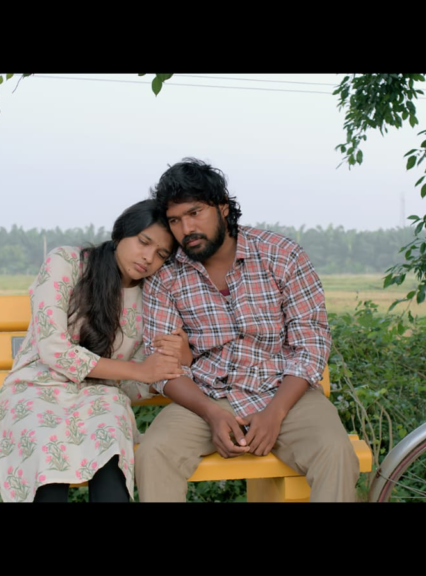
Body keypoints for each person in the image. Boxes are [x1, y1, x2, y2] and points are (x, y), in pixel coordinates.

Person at [135, 157, 360, 502]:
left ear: (223, 207)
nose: (186, 228)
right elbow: (163, 367)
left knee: (334, 451)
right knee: (154, 453)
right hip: (206, 397)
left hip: (284, 394)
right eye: (175, 220)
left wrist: (275, 413)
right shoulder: (166, 276)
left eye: (195, 212)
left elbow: (311, 345)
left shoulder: (282, 255)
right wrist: (211, 412)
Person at [0, 199, 190, 503]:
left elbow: (130, 385)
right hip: (35, 388)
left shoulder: (150, 299)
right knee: (46, 448)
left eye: (162, 254)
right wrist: (139, 370)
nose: (148, 257)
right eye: (143, 241)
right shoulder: (67, 262)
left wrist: (173, 363)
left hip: (99, 398)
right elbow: (53, 348)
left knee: (111, 428)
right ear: (121, 233)